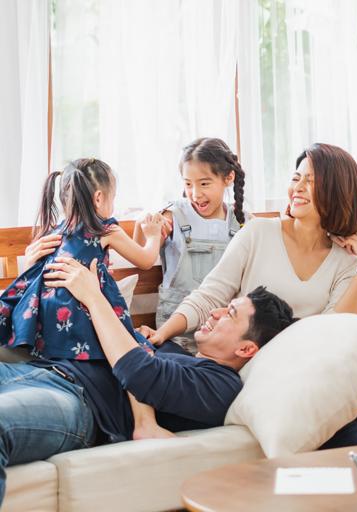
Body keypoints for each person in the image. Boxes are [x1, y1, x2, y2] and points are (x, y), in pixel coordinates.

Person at [138, 142, 357, 448]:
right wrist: (163, 333)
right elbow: (209, 296)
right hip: (255, 366)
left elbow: (338, 331)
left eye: (311, 181)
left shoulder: (347, 259)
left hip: (306, 367)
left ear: (337, 190)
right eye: (296, 178)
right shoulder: (258, 233)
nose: (298, 187)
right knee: (336, 402)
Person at [0, 255, 296, 505]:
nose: (215, 312)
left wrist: (93, 296)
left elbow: (139, 373)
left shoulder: (219, 385)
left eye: (230, 314)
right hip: (39, 371)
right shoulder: (173, 350)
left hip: (80, 402)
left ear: (246, 349)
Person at [0, 157, 170, 439]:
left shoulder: (55, 231)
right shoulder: (106, 229)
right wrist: (153, 235)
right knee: (135, 350)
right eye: (113, 198)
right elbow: (145, 259)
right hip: (84, 311)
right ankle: (145, 424)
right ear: (99, 198)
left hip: (50, 321)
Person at [133, 138, 247, 353]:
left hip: (221, 337)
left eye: (204, 184)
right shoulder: (173, 215)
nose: (195, 193)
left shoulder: (243, 223)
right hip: (173, 336)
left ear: (228, 178)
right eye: (188, 184)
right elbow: (142, 258)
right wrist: (143, 226)